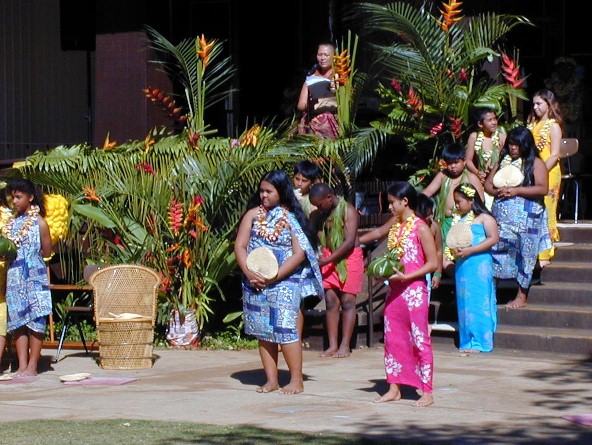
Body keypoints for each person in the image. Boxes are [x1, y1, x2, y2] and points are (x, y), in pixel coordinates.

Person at [234, 170, 324, 394]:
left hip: (285, 282)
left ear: (281, 192)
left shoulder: (291, 218)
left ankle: (296, 380)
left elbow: (299, 254)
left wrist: (275, 276)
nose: (263, 195)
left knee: (286, 330)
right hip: (255, 282)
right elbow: (240, 246)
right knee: (263, 331)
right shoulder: (252, 215)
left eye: (269, 191)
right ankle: (271, 380)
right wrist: (249, 273)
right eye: (261, 191)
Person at [371, 181, 438, 406]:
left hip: (414, 291)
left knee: (419, 339)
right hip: (395, 290)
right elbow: (393, 261)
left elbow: (432, 263)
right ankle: (394, 388)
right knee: (393, 339)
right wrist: (383, 273)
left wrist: (408, 276)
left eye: (392, 202)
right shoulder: (396, 227)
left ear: (405, 201)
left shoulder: (421, 227)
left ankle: (427, 391)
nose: (389, 207)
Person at [484, 127, 552, 309]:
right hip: (502, 220)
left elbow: (542, 188)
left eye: (517, 144)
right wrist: (499, 191)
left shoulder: (535, 162)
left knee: (526, 255)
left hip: (527, 220)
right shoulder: (503, 162)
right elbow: (488, 185)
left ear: (526, 145)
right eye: (511, 144)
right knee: (496, 251)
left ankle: (521, 296)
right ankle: (490, 294)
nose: (513, 148)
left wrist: (516, 191)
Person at [3, 179, 52, 377]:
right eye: (13, 197)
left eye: (18, 197)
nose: (14, 201)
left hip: (35, 277)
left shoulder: (39, 223)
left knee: (37, 319)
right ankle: (22, 365)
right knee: (18, 322)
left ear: (30, 197)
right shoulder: (11, 224)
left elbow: (47, 251)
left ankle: (33, 366)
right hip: (14, 277)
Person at [309, 183, 363, 358]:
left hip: (349, 257)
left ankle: (345, 345)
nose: (319, 209)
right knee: (331, 301)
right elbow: (312, 234)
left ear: (329, 197)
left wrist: (327, 260)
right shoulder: (320, 215)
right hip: (328, 255)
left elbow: (349, 241)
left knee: (347, 301)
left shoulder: (349, 210)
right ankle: (332, 345)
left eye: (320, 205)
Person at [450, 184, 499, 353]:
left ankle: (481, 341)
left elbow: (493, 238)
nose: (456, 205)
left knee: (479, 301)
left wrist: (471, 250)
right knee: (465, 302)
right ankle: (467, 341)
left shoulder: (485, 218)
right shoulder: (459, 220)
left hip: (479, 264)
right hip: (463, 266)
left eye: (459, 201)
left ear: (471, 200)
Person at [422, 142, 484, 274]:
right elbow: (427, 193)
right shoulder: (443, 176)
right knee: (444, 258)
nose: (453, 167)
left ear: (464, 161)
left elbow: (481, 201)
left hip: (465, 224)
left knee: (461, 255)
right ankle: (457, 277)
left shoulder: (471, 177)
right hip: (445, 223)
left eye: (456, 162)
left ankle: (463, 277)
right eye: (449, 163)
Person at [526, 88, 563, 268]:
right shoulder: (531, 125)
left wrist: (540, 172)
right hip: (532, 171)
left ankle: (545, 253)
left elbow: (554, 154)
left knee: (548, 209)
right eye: (534, 104)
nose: (535, 107)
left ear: (549, 105)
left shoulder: (553, 126)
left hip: (549, 172)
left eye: (539, 103)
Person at [465, 107, 507, 210]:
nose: (494, 122)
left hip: (498, 181)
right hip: (482, 181)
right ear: (480, 124)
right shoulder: (474, 137)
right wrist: (477, 172)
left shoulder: (502, 137)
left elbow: (507, 159)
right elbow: (468, 160)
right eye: (489, 120)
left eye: (495, 119)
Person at [296, 43, 339, 140]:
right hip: (314, 123)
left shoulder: (340, 76)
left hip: (334, 123)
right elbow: (301, 104)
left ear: (334, 56)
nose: (322, 58)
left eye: (326, 55)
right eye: (320, 55)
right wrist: (312, 103)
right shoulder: (311, 78)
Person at [544, 56, 584, 138]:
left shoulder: (578, 85)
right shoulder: (550, 84)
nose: (565, 71)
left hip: (574, 120)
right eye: (561, 68)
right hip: (555, 120)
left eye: (568, 68)